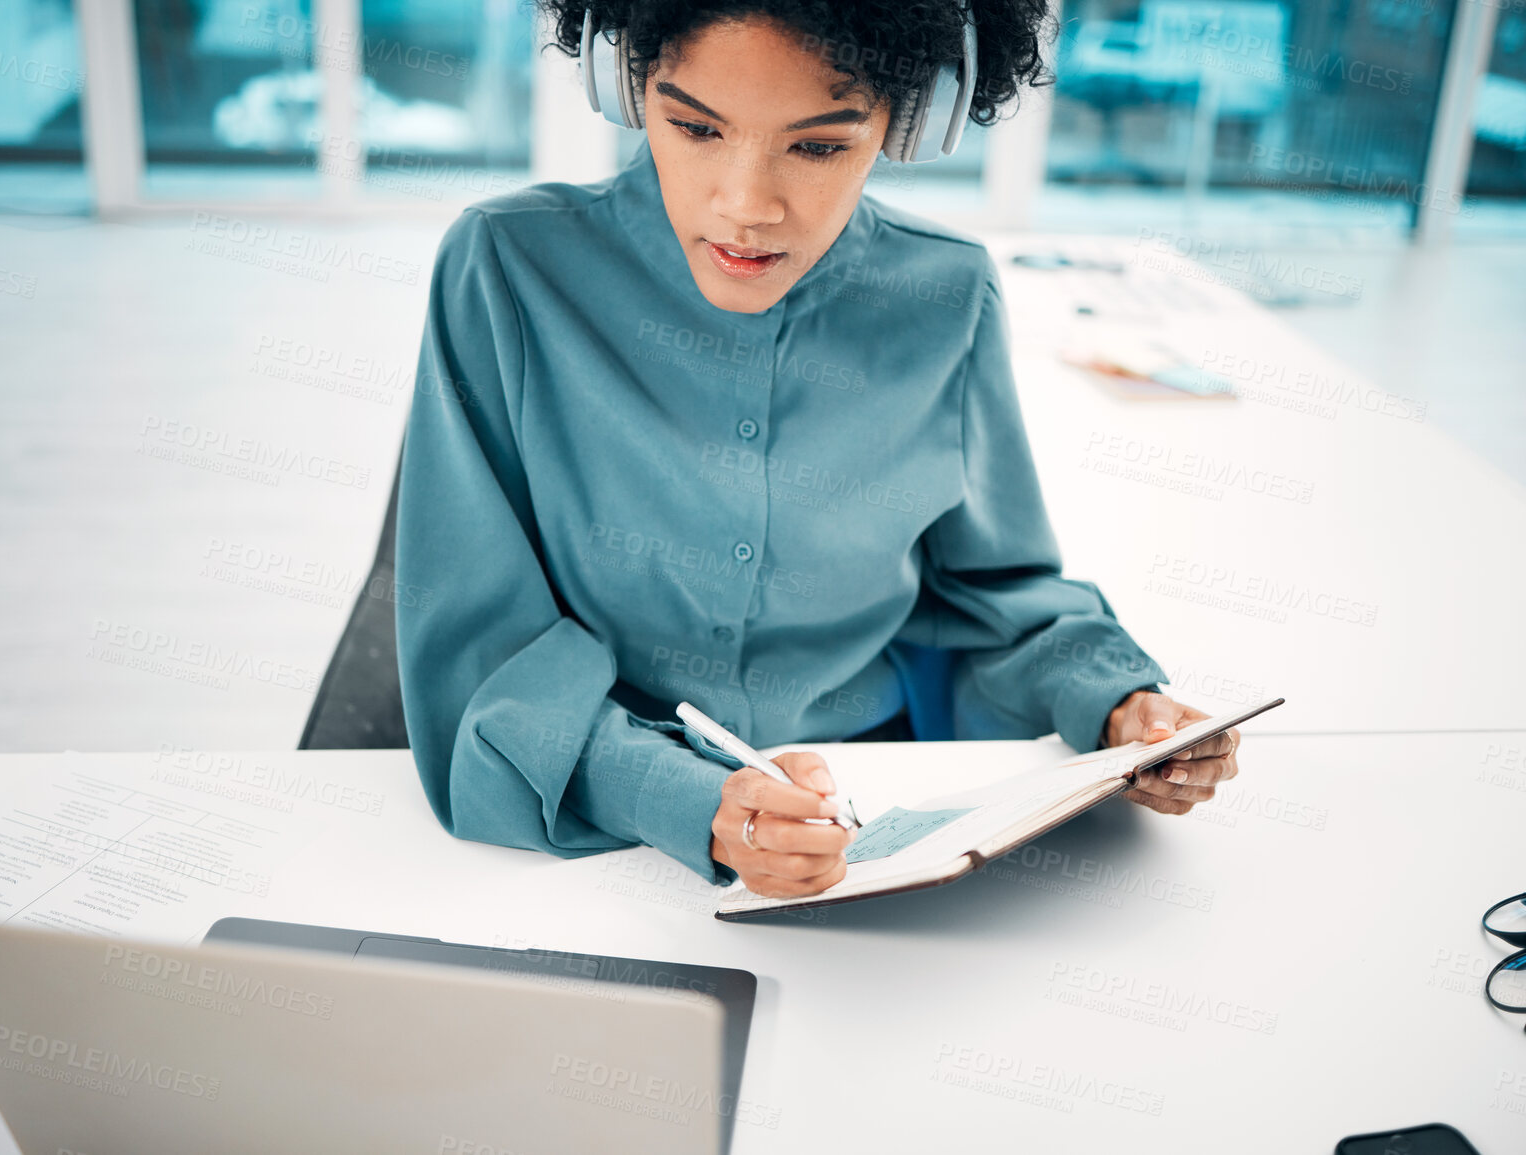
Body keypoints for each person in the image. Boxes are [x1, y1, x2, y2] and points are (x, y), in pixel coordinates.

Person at [394, 0, 1241, 899]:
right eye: (695, 128)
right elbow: (482, 644)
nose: (745, 206)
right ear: (623, 80)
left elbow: (991, 598)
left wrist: (1119, 707)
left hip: (875, 815)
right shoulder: (507, 269)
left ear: (910, 121)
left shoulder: (946, 295)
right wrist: (692, 799)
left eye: (817, 145)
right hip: (603, 832)